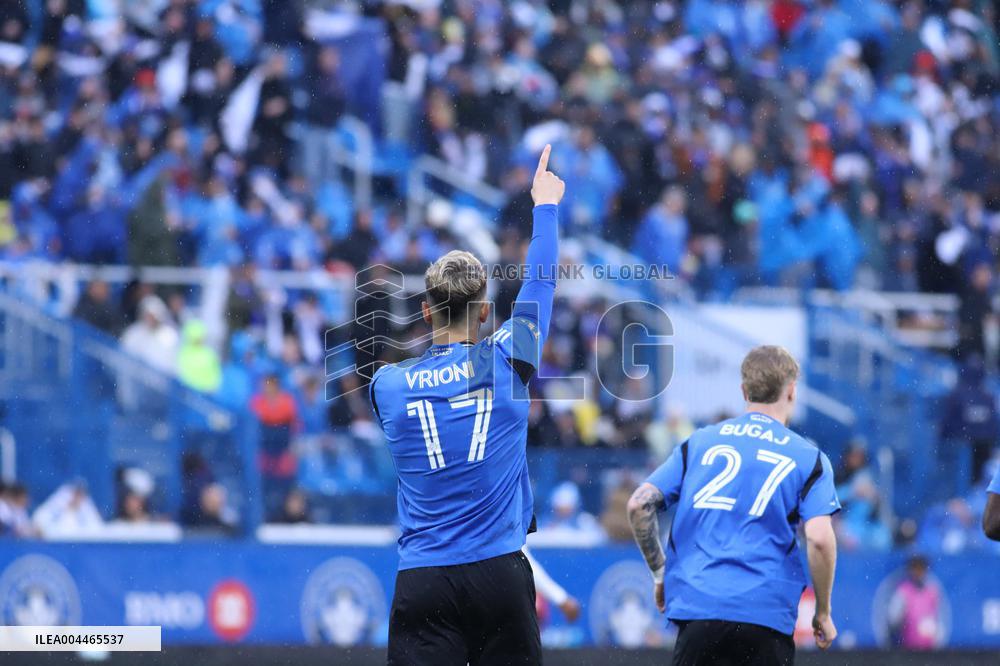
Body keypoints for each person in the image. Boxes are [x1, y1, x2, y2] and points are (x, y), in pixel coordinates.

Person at [369, 145, 563, 666]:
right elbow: (541, 281)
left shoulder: (388, 385)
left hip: (424, 579)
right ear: (484, 314)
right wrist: (544, 206)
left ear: (427, 309)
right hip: (499, 573)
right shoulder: (509, 359)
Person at [627, 345, 840, 665]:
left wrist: (661, 574)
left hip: (699, 610)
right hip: (764, 615)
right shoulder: (809, 458)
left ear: (744, 390)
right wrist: (822, 611)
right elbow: (820, 540)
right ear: (792, 392)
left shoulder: (698, 443)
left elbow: (638, 506)